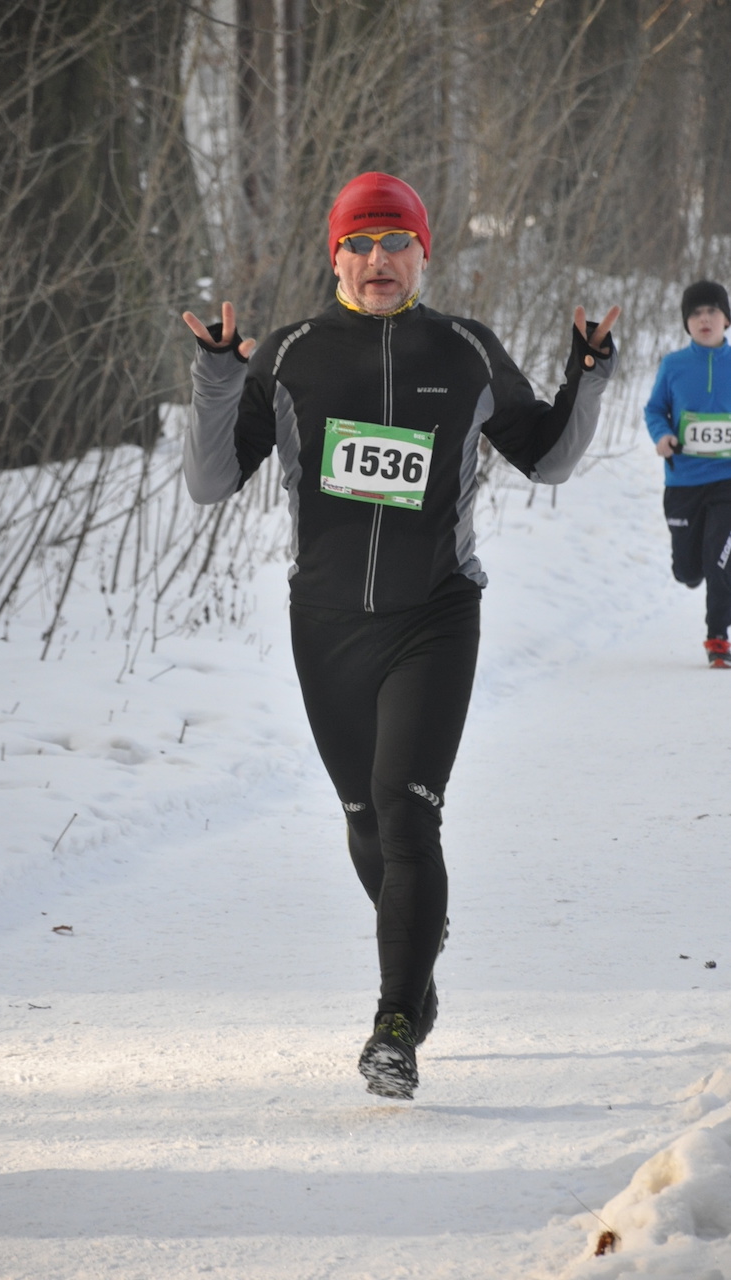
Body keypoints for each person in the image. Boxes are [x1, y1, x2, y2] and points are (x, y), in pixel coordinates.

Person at [182, 172, 619, 1100]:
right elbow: (212, 482)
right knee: (365, 820)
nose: (377, 260)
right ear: (334, 256)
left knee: (408, 809)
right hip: (327, 624)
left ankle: (394, 1026)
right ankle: (417, 944)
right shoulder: (292, 354)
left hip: (435, 614)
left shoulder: (465, 348)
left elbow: (546, 459)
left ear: (425, 253)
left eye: (395, 243)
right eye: (359, 243)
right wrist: (217, 377)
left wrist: (586, 376)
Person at [644, 280, 731, 669]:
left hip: (727, 480)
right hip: (683, 481)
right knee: (688, 569)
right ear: (686, 322)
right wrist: (662, 436)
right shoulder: (674, 365)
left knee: (719, 559)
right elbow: (654, 410)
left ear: (726, 319)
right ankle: (692, 570)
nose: (704, 319)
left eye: (712, 310)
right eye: (695, 313)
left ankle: (718, 638)